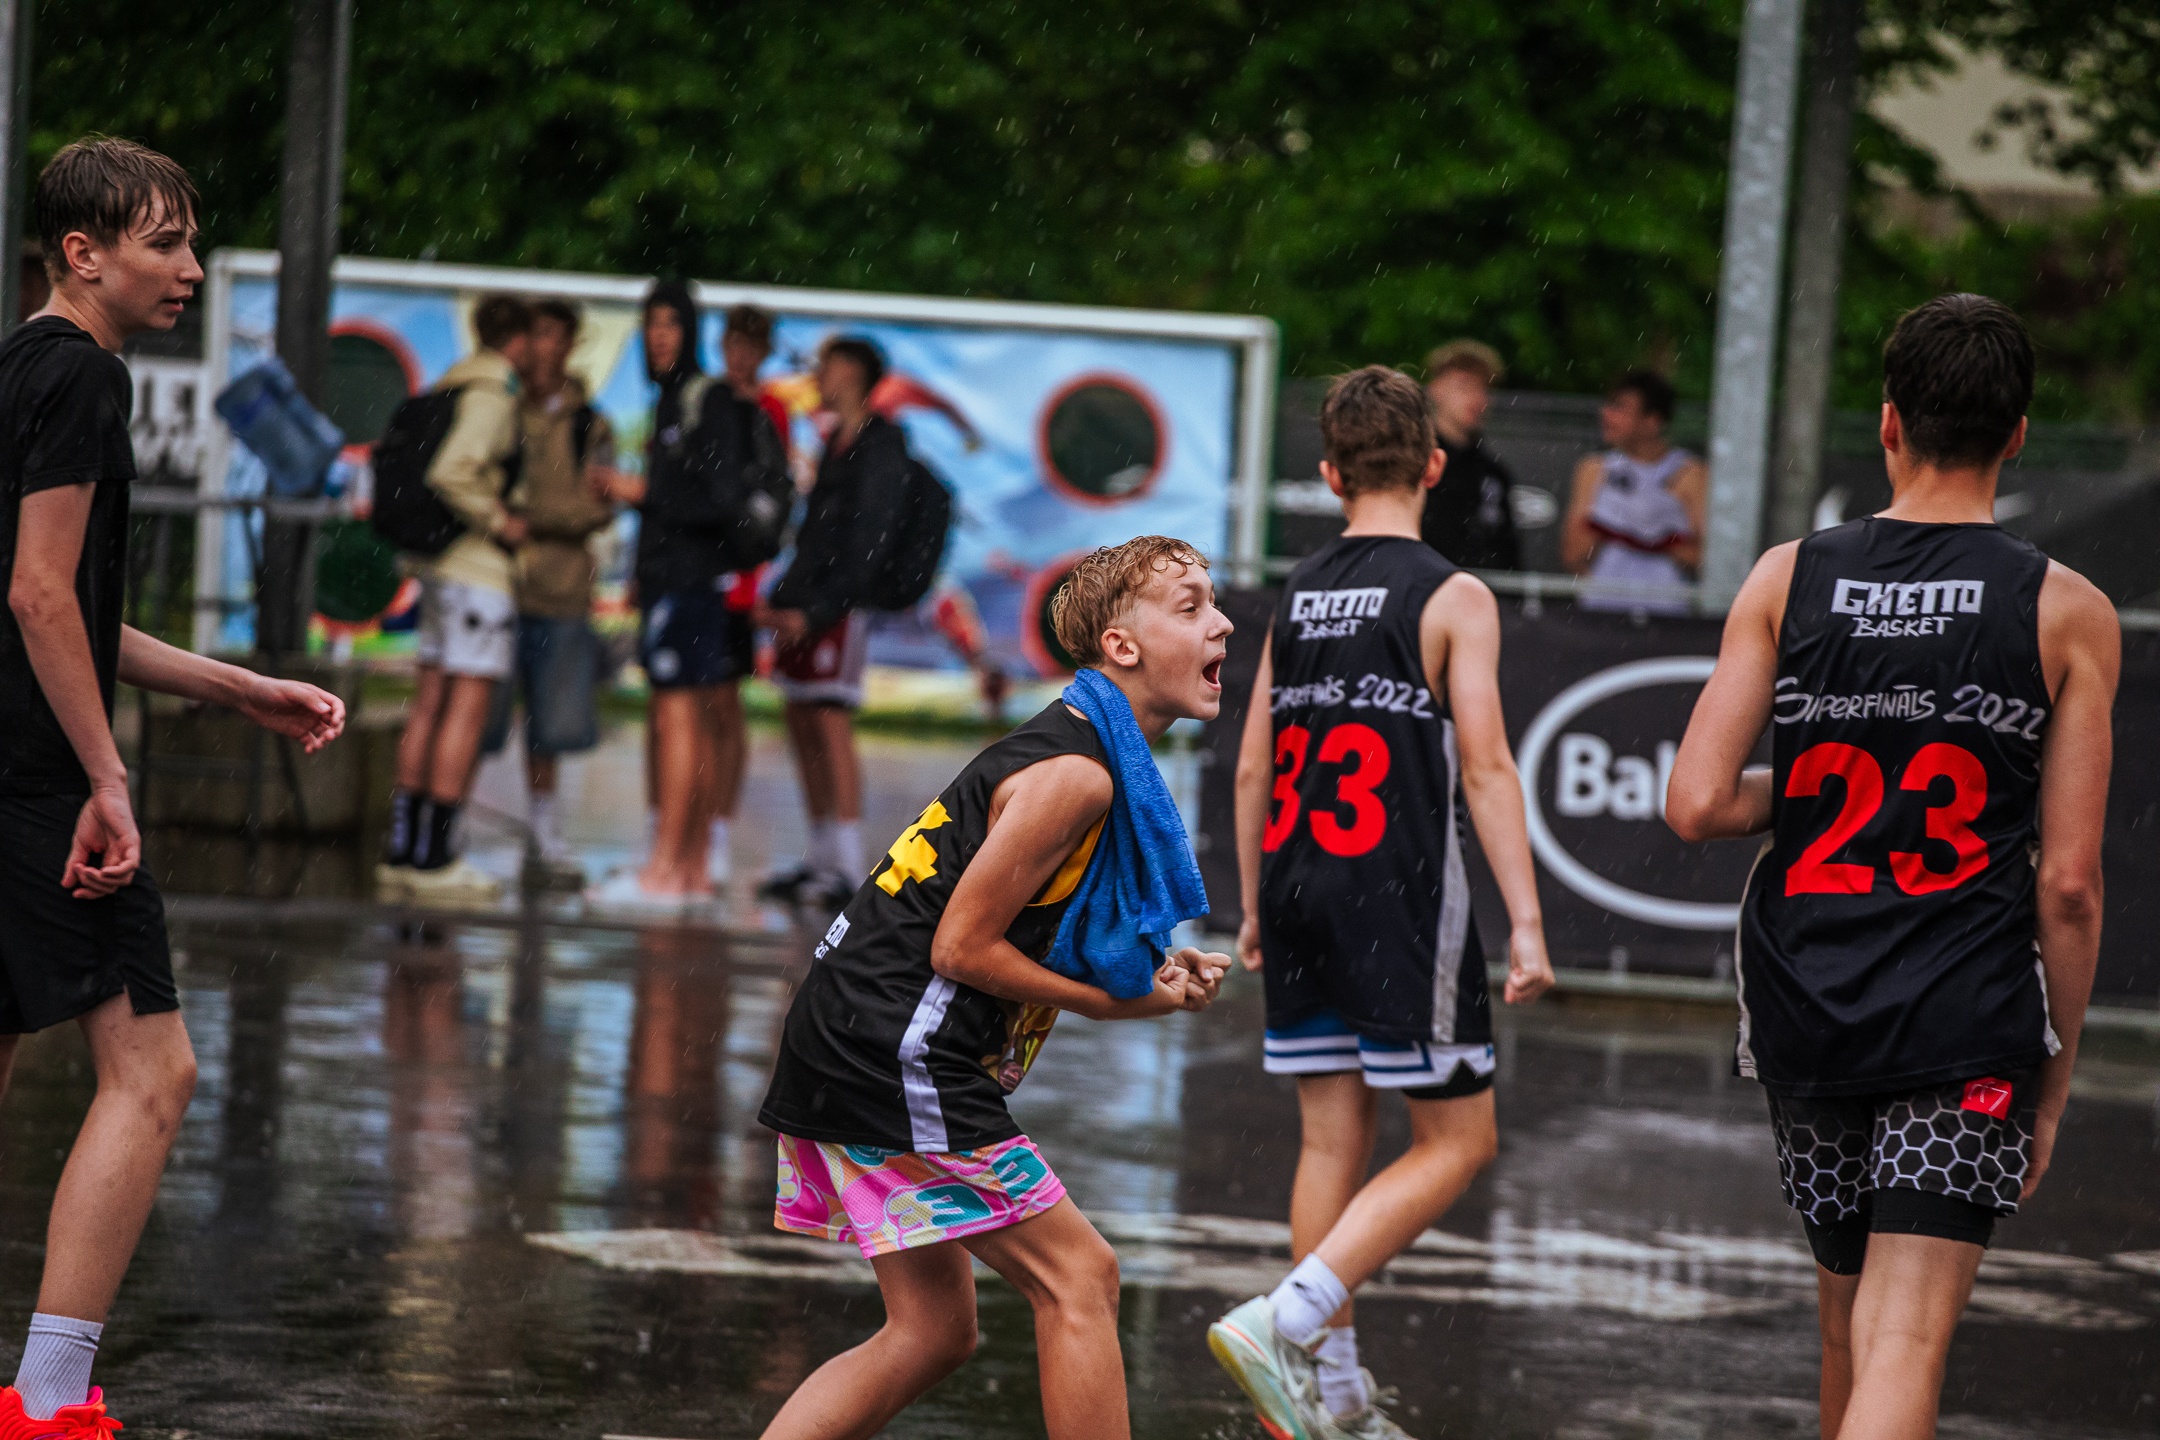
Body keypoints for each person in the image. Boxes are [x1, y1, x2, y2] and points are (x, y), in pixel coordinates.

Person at [1666, 295, 2117, 1440]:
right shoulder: (2067, 610)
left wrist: (1832, 773)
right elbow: (2069, 883)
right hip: (1962, 1012)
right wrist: (2053, 1083)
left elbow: (1698, 803)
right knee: (1904, 1341)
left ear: (1887, 424)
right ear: (2018, 436)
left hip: (1809, 1001)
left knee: (1848, 1329)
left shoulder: (1787, 576)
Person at [0, 137, 347, 1435]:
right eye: (164, 243)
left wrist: (238, 687)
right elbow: (40, 595)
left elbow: (65, 608)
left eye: (190, 241)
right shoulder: (85, 376)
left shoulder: (16, 367)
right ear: (82, 254)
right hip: (37, 782)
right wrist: (109, 778)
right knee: (154, 1073)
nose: (190, 268)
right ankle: (50, 1404)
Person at [754, 534, 1233, 1440]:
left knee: (933, 1332)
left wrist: (1155, 974)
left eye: (1214, 602)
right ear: (1122, 647)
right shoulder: (1077, 776)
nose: (1223, 623)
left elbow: (1032, 928)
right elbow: (960, 948)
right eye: (1192, 607)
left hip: (852, 1026)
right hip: (890, 1047)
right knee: (1080, 1278)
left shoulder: (1082, 747)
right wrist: (1106, 1002)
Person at [1213, 366, 1554, 1439]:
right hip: (1394, 895)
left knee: (1331, 1143)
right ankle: (1288, 1318)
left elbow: (1253, 764)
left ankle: (1334, 1394)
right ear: (1435, 467)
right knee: (1459, 1142)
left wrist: (1253, 903)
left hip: (1297, 881)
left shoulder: (1300, 592)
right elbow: (1487, 767)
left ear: (1328, 474)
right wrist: (1527, 920)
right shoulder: (1453, 595)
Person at [588, 286, 783, 911]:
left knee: (682, 720)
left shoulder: (705, 398)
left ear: (693, 332)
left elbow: (720, 499)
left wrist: (641, 491)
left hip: (691, 585)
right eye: (651, 323)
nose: (659, 335)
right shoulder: (680, 399)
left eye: (672, 323)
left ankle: (667, 872)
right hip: (680, 583)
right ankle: (690, 869)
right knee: (689, 720)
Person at [377, 292, 535, 906]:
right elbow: (452, 471)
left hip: (438, 570)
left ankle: (404, 850)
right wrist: (500, 522)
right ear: (518, 341)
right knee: (463, 713)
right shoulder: (492, 396)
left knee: (428, 707)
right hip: (477, 571)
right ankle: (436, 857)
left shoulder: (448, 387)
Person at [758, 335, 913, 910]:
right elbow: (817, 535)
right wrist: (785, 600)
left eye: (826, 367)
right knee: (801, 717)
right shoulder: (835, 444)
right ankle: (820, 858)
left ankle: (848, 867)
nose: (818, 377)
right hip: (810, 604)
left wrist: (820, 610)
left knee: (829, 719)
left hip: (843, 610)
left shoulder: (882, 446)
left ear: (851, 372)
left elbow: (867, 543)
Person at [479, 297, 616, 887]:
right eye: (536, 334)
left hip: (561, 592)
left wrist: (529, 518)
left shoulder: (591, 424)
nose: (545, 348)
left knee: (550, 727)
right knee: (476, 716)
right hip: (498, 587)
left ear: (571, 345)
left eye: (558, 336)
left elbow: (598, 507)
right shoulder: (501, 408)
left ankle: (545, 835)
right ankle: (445, 830)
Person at [1560, 369, 1706, 615]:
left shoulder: (1691, 474)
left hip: (1668, 616)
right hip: (1602, 612)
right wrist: (1619, 523)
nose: (1606, 414)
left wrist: (1656, 535)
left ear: (1652, 421)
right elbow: (1573, 555)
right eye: (1608, 405)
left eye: (1620, 408)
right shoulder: (1595, 470)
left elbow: (1707, 561)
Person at [1418, 340, 1519, 571]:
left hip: (1479, 588)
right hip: (1423, 586)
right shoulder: (1412, 464)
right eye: (1464, 386)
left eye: (1484, 388)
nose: (1476, 398)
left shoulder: (1493, 473)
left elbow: (1508, 554)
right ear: (1436, 389)